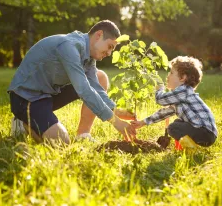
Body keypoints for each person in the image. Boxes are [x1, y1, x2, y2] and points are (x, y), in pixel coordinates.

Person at [8, 20, 136, 144]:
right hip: (26, 98)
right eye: (109, 47)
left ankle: (83, 134)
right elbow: (84, 89)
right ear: (99, 35)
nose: (109, 53)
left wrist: (116, 111)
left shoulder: (90, 57)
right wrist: (115, 122)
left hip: (48, 94)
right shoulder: (69, 46)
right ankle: (22, 121)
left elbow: (96, 88)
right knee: (61, 141)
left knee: (100, 77)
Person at [131, 56, 217, 149]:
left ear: (182, 78)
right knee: (178, 123)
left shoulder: (183, 91)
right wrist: (143, 122)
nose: (168, 76)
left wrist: (159, 89)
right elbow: (164, 113)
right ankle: (181, 147)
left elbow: (160, 99)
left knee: (173, 128)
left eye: (171, 73)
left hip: (205, 132)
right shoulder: (181, 96)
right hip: (207, 133)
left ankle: (190, 149)